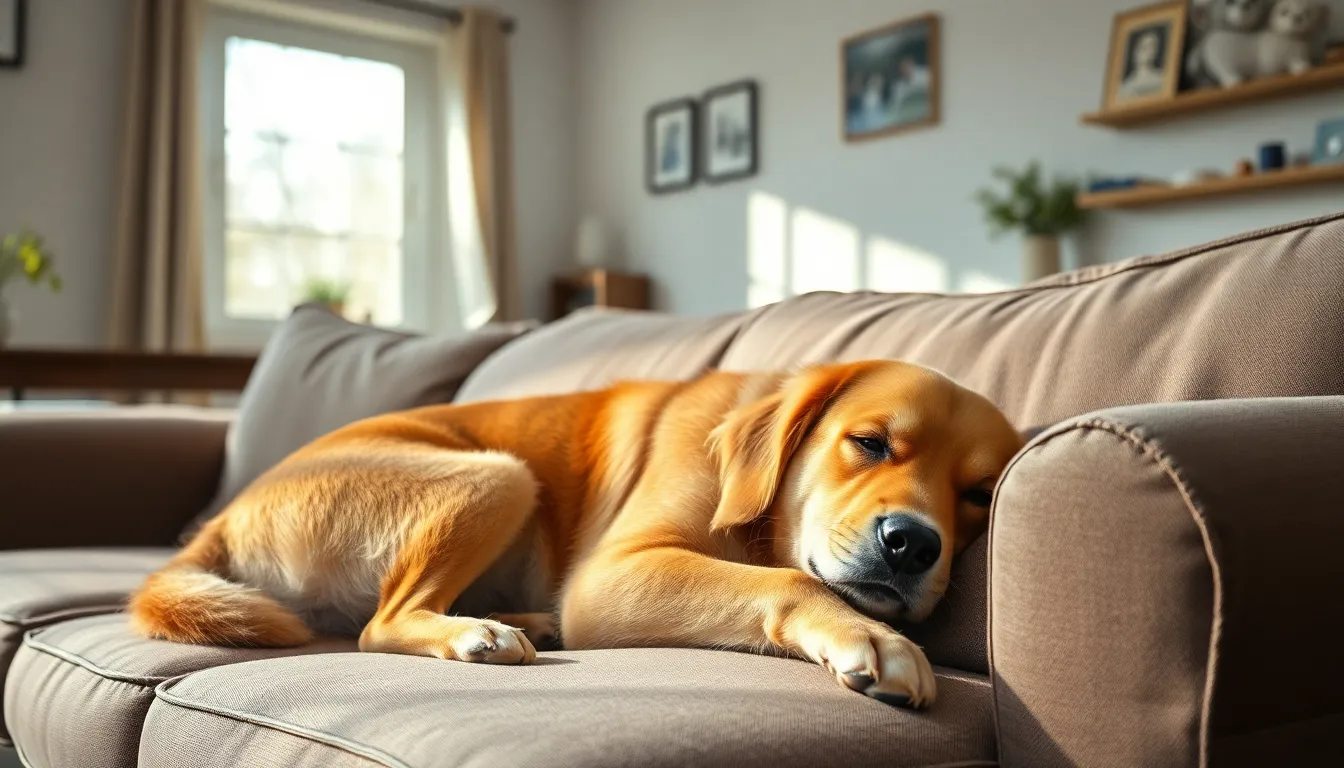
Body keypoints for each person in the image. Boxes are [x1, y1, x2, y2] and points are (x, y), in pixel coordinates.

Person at [1117, 28, 1167, 100]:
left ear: (1156, 51)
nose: (1144, 49)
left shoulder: (1162, 78)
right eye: (1142, 45)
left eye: (1150, 46)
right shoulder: (1125, 86)